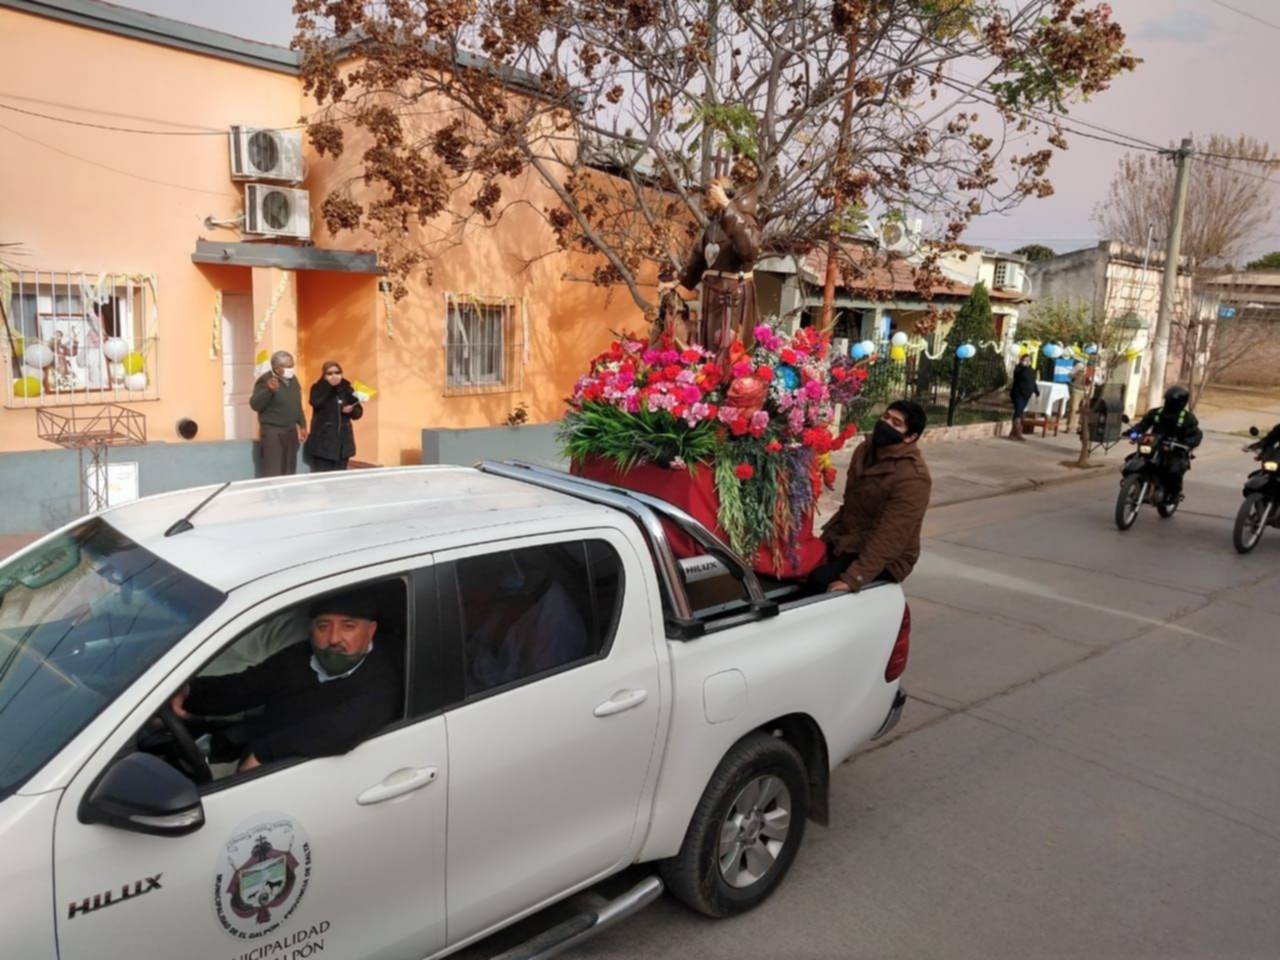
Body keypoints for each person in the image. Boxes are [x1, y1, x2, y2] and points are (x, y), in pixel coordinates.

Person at [171, 588, 399, 773]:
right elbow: (244, 687)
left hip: (302, 774)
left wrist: (264, 754)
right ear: (311, 630)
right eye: (323, 626)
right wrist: (191, 691)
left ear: (371, 631)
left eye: (348, 626)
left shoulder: (381, 680)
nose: (333, 638)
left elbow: (338, 728)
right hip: (252, 749)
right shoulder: (300, 657)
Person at [815, 399, 932, 593]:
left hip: (887, 558)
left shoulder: (913, 478)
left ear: (910, 437)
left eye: (896, 423)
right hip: (849, 539)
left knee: (819, 581)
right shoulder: (865, 451)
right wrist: (826, 538)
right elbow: (851, 505)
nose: (886, 424)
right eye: (886, 417)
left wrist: (855, 578)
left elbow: (891, 536)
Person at [1126, 384, 1204, 504]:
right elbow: (1143, 425)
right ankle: (1133, 483)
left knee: (1174, 469)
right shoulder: (1156, 413)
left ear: (1182, 403)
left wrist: (1186, 443)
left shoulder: (1187, 418)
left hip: (1175, 450)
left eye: (1173, 401)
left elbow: (1196, 434)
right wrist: (1133, 432)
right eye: (1168, 400)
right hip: (1154, 445)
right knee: (1131, 460)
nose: (1170, 403)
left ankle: (1173, 494)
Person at [250, 350, 308, 477]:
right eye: (288, 367)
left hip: (291, 431)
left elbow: (297, 403)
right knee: (273, 470)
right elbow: (255, 404)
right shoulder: (265, 380)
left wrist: (302, 424)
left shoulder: (293, 380)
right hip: (273, 432)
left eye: (292, 366)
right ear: (276, 368)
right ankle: (272, 496)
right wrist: (269, 391)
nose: (291, 369)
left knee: (289, 469)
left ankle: (288, 495)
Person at [305, 361, 363, 471]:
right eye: (330, 373)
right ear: (324, 375)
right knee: (323, 478)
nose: (334, 376)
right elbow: (315, 402)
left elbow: (358, 413)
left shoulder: (347, 388)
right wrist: (329, 387)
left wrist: (351, 410)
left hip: (343, 445)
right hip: (323, 444)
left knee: (338, 480)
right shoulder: (318, 388)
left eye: (337, 372)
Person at [1009, 353, 1039, 441]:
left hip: (1027, 394)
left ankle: (1012, 433)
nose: (1026, 362)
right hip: (1018, 393)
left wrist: (1037, 393)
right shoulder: (1018, 369)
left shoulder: (1032, 370)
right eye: (1024, 360)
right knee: (1018, 411)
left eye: (1028, 360)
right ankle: (1018, 433)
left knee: (1020, 412)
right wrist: (1023, 366)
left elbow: (1033, 382)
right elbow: (1017, 376)